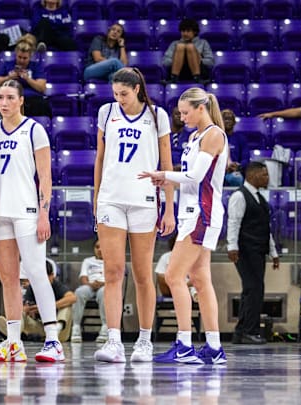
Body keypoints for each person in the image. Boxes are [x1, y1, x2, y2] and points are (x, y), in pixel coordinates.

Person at [139, 87, 229, 365]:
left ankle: (184, 345)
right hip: (193, 213)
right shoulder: (194, 136)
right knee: (201, 281)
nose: (182, 117)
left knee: (174, 276)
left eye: (186, 112)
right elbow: (188, 177)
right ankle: (213, 347)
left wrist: (164, 175)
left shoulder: (214, 134)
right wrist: (168, 179)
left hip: (202, 214)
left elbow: (196, 175)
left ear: (201, 108)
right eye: (180, 112)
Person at [93, 67, 176, 363]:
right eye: (115, 94)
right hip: (111, 199)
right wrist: (96, 196)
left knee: (143, 274)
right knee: (113, 272)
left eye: (124, 94)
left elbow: (166, 163)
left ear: (138, 90)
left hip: (144, 201)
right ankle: (114, 340)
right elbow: (100, 157)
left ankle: (144, 340)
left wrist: (168, 206)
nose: (119, 99)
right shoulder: (106, 112)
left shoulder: (158, 116)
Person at [0, 79, 64, 363]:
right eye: (0, 97)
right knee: (8, 279)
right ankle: (14, 343)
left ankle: (53, 340)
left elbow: (45, 176)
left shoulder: (34, 130)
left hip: (28, 211)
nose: (3, 102)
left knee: (36, 272)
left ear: (20, 101)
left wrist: (44, 211)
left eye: (9, 97)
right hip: (0, 212)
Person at [226, 161, 280, 345]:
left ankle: (241, 332)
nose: (267, 178)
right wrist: (232, 246)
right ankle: (249, 331)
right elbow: (233, 222)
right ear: (252, 175)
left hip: (258, 250)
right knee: (253, 289)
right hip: (245, 250)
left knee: (253, 290)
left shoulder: (260, 198)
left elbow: (266, 228)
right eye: (264, 174)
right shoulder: (239, 196)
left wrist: (273, 252)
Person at [19, 259, 76, 342]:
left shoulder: (56, 285)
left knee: (67, 306)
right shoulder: (32, 287)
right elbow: (25, 306)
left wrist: (48, 307)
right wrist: (28, 309)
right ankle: (13, 333)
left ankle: (56, 329)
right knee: (20, 312)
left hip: (59, 331)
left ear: (52, 276)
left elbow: (72, 298)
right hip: (40, 328)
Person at [0, 38, 51, 117]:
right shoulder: (7, 64)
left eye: (25, 58)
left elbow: (42, 87)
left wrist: (28, 79)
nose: (21, 60)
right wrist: (8, 78)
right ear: (16, 55)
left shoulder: (36, 66)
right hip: (11, 97)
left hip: (32, 99)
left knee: (42, 104)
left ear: (30, 57)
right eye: (19, 57)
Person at [71, 238, 108, 343]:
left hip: (105, 286)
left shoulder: (111, 260)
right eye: (97, 247)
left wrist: (101, 284)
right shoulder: (88, 261)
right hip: (90, 286)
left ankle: (105, 328)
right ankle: (76, 327)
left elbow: (114, 280)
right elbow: (83, 277)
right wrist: (90, 284)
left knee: (104, 292)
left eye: (102, 247)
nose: (100, 249)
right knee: (79, 292)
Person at [163, 18, 214, 84]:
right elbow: (166, 62)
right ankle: (174, 78)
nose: (185, 33)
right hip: (180, 72)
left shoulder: (203, 43)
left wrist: (198, 59)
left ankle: (197, 78)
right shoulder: (175, 44)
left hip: (199, 71)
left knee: (190, 47)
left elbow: (210, 62)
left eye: (188, 31)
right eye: (183, 31)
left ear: (195, 32)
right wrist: (177, 60)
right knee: (180, 46)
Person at [155, 232, 199, 302]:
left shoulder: (194, 257)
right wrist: (176, 282)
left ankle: (194, 295)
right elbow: (160, 276)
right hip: (169, 288)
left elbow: (197, 278)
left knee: (194, 283)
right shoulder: (165, 257)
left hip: (188, 287)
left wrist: (185, 284)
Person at [223, 109, 249, 187]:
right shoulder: (215, 137)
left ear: (234, 122)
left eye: (230, 119)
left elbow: (246, 158)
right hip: (219, 171)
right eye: (225, 119)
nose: (227, 121)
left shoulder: (240, 138)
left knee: (236, 178)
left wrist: (238, 166)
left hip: (235, 171)